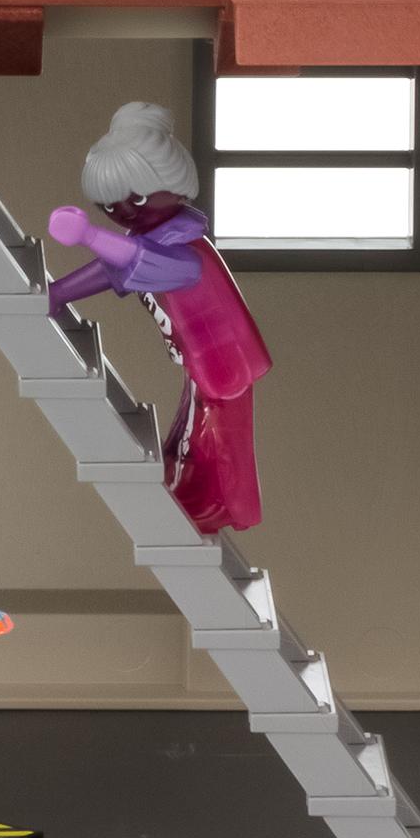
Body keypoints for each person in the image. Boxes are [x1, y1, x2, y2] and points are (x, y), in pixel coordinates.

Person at [42, 102, 272, 531]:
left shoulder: (186, 253)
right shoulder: (154, 240)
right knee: (192, 434)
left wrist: (90, 234)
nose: (125, 213)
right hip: (200, 364)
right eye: (110, 207)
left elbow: (138, 260)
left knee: (215, 442)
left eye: (138, 199)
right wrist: (59, 292)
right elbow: (114, 268)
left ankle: (209, 505)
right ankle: (196, 495)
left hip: (223, 364)